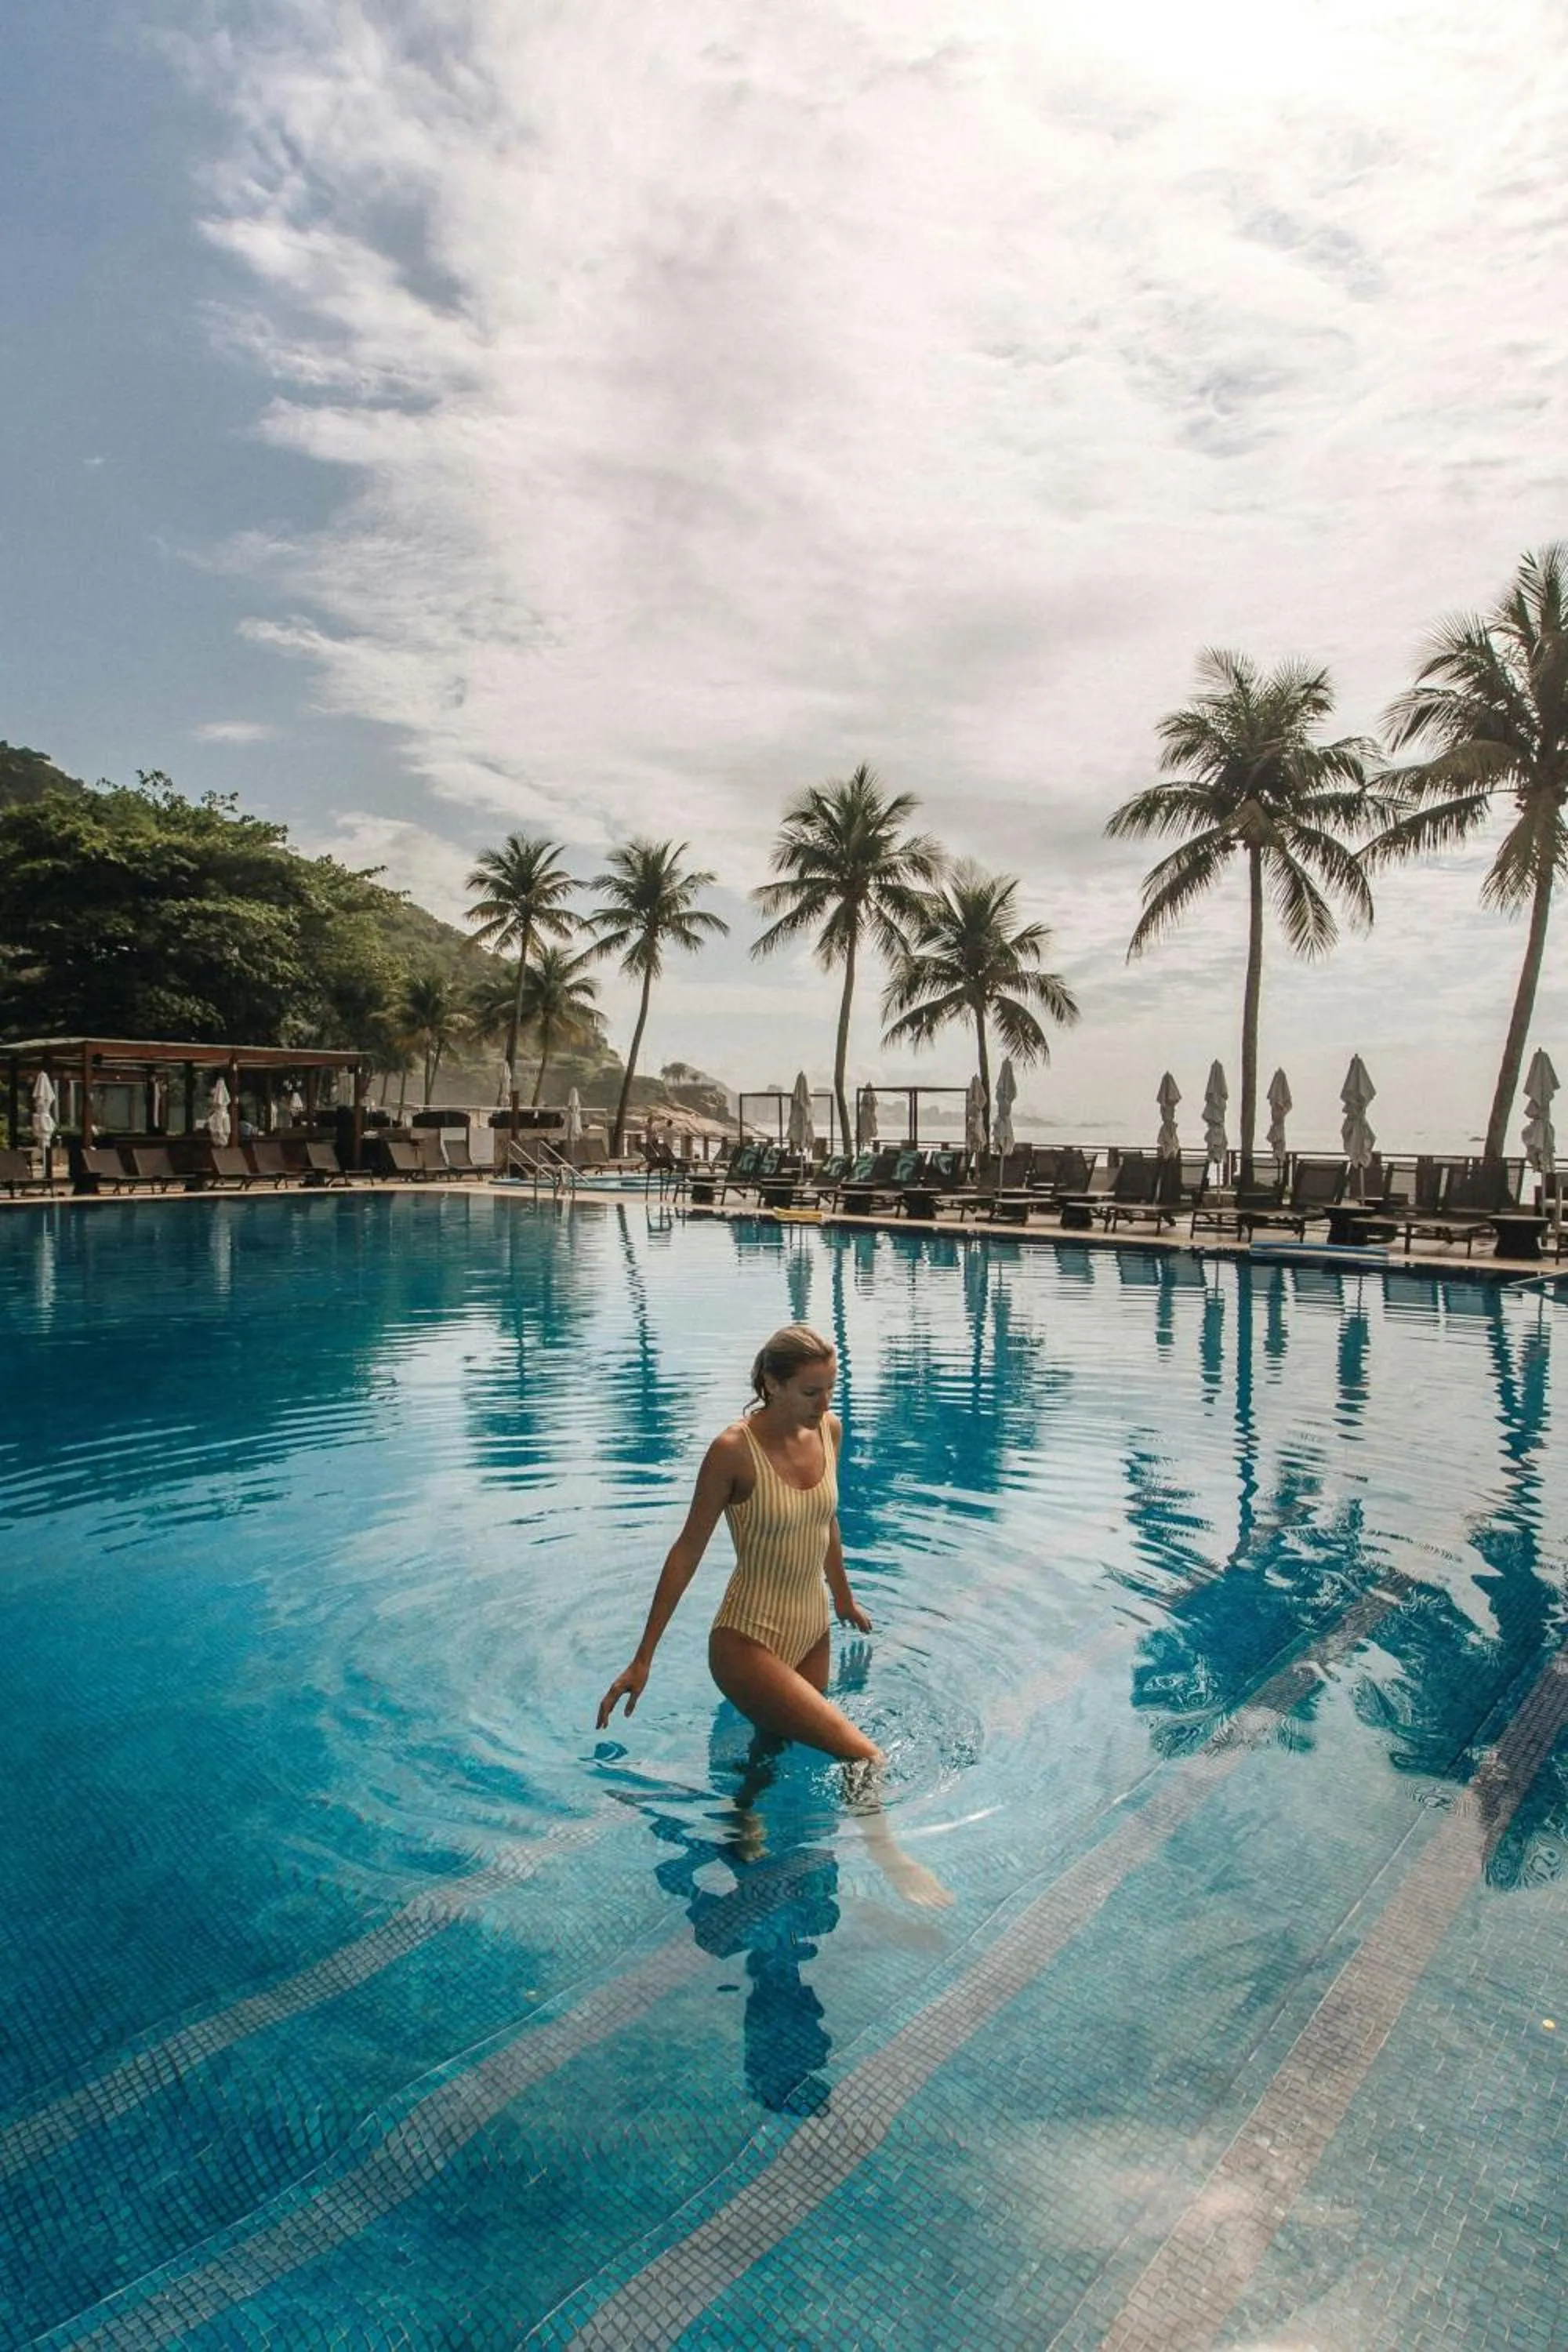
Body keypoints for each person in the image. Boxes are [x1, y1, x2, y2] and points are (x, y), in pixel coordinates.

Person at [597, 1323, 880, 1762]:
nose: (824, 1403)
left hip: (812, 1631)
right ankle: (875, 1829)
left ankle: (742, 1820)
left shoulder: (830, 1431)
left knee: (775, 1746)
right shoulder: (732, 1451)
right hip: (747, 1639)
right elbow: (687, 1552)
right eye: (810, 1393)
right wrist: (643, 1658)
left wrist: (842, 1598)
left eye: (830, 1388)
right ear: (773, 1384)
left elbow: (825, 1521)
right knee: (863, 1755)